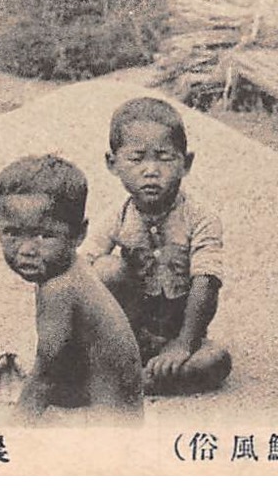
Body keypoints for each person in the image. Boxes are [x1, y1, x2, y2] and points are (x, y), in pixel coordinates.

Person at [89, 97, 233, 395]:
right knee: (104, 269)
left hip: (178, 335)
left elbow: (207, 281)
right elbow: (80, 265)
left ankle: (135, 382)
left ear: (186, 163)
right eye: (137, 158)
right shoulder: (117, 216)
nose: (151, 170)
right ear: (112, 164)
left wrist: (183, 343)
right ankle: (122, 364)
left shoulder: (201, 217)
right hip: (128, 331)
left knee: (216, 361)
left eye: (165, 158)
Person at [0, 154, 145, 423]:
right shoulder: (63, 270)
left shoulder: (60, 288)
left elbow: (45, 377)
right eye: (12, 233)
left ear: (79, 234)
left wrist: (14, 428)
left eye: (45, 235)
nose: (27, 250)